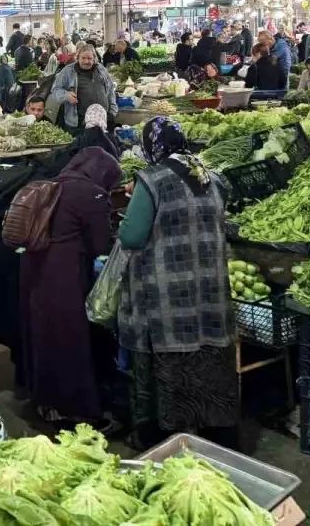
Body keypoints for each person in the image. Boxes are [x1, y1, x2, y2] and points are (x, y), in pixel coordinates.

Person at [118, 117, 237, 448]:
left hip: (169, 294)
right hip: (211, 290)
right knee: (211, 359)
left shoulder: (152, 180)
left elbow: (132, 235)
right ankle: (218, 433)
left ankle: (167, 437)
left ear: (152, 147)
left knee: (169, 364)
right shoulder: (211, 177)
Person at [19, 147, 122, 423]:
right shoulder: (92, 193)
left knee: (44, 336)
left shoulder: (55, 182)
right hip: (64, 276)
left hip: (34, 270)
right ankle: (76, 411)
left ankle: (46, 402)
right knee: (69, 341)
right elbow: (100, 243)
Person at [50, 43, 117, 131]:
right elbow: (55, 90)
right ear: (77, 58)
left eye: (89, 58)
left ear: (94, 59)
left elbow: (110, 90)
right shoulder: (68, 71)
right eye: (83, 58)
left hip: (103, 121)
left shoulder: (101, 69)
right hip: (78, 124)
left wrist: (112, 112)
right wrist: (65, 95)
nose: (86, 61)